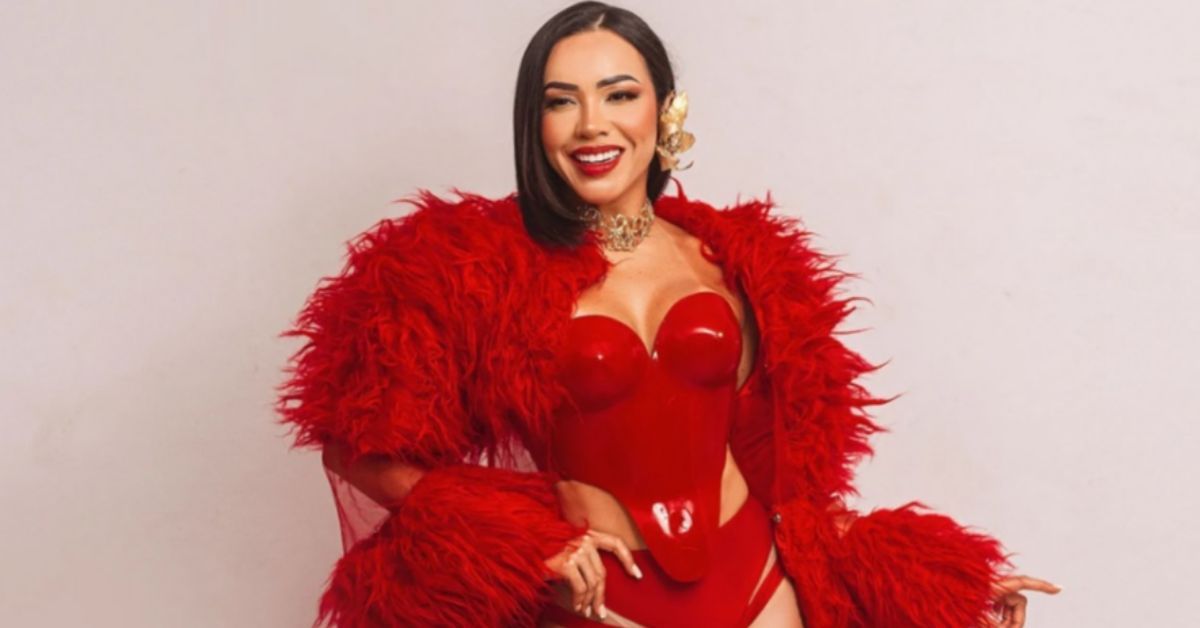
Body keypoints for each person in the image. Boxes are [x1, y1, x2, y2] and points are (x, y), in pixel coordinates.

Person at [275, 2, 1061, 626]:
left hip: (758, 586)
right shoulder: (466, 269)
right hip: (606, 601)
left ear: (664, 109)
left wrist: (937, 579)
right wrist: (527, 536)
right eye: (561, 102)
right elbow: (359, 449)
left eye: (620, 94)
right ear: (534, 124)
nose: (593, 124)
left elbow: (783, 481)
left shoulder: (740, 259)